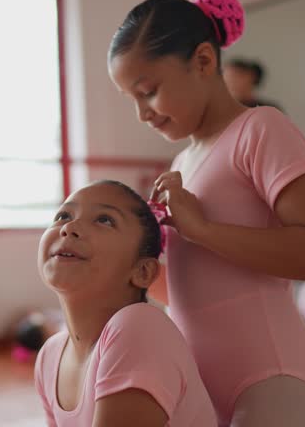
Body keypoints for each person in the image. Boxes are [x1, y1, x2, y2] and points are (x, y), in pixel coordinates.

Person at [108, 0, 305, 426]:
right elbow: (195, 293)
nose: (141, 113)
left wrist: (201, 229)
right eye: (130, 98)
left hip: (276, 377)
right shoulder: (182, 165)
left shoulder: (260, 129)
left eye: (148, 92)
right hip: (202, 390)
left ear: (203, 60)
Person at [34, 180, 217, 426]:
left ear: (142, 271)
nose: (69, 227)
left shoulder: (139, 327)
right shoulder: (49, 354)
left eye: (104, 219)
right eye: (63, 215)